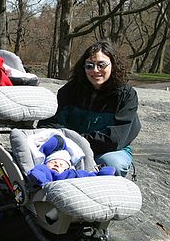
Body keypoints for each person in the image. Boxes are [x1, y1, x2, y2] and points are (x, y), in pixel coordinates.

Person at [40, 41, 141, 177]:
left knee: (112, 164)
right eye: (89, 66)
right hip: (68, 146)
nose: (95, 70)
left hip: (107, 150)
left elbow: (116, 138)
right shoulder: (69, 91)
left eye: (101, 65)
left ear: (113, 65)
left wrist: (80, 142)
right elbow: (49, 122)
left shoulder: (126, 95)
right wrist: (67, 145)